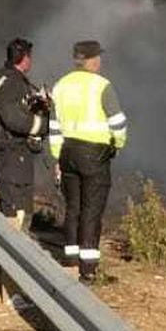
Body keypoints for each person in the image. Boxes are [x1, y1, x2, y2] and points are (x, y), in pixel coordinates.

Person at [48, 40, 128, 283]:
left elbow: (54, 126)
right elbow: (118, 122)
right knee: (92, 210)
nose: (100, 62)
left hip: (67, 153)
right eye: (98, 58)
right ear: (92, 60)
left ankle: (71, 258)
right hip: (95, 154)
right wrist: (118, 144)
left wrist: (57, 156)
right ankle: (89, 269)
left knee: (74, 207)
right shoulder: (101, 85)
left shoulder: (60, 86)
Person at [0, 37, 50, 228]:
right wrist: (42, 125)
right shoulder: (11, 83)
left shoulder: (4, 79)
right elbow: (14, 119)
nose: (31, 61)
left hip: (12, 153)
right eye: (29, 57)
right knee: (17, 204)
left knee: (13, 201)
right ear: (24, 59)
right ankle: (14, 247)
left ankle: (13, 245)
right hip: (14, 153)